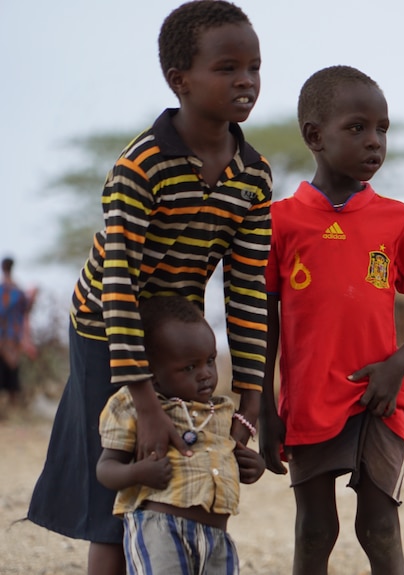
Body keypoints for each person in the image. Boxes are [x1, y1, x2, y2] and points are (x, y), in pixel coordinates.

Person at [27, 2, 271, 574]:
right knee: (121, 486)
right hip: (107, 327)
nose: (246, 81)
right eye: (228, 67)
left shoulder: (253, 176)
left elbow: (247, 290)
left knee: (181, 483)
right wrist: (144, 402)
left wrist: (252, 403)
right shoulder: (143, 165)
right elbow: (117, 284)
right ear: (179, 80)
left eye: (255, 67)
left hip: (179, 335)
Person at [259, 65, 404, 575]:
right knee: (316, 530)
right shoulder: (280, 222)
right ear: (314, 136)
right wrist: (262, 403)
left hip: (381, 397)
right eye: (358, 128)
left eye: (382, 129)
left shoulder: (397, 218)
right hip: (308, 397)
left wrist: (397, 366)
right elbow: (267, 322)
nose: (374, 142)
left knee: (380, 529)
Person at [96, 296, 265, 574]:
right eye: (189, 368)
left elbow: (228, 458)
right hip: (160, 531)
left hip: (216, 538)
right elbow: (105, 469)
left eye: (209, 361)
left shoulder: (221, 412)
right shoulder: (132, 407)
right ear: (152, 375)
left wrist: (253, 466)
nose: (206, 374)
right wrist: (138, 473)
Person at [0, 256, 37, 412]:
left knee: (6, 370)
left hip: (4, 336)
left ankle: (8, 411)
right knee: (12, 370)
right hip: (13, 337)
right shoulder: (19, 292)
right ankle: (12, 408)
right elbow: (26, 312)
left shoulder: (4, 291)